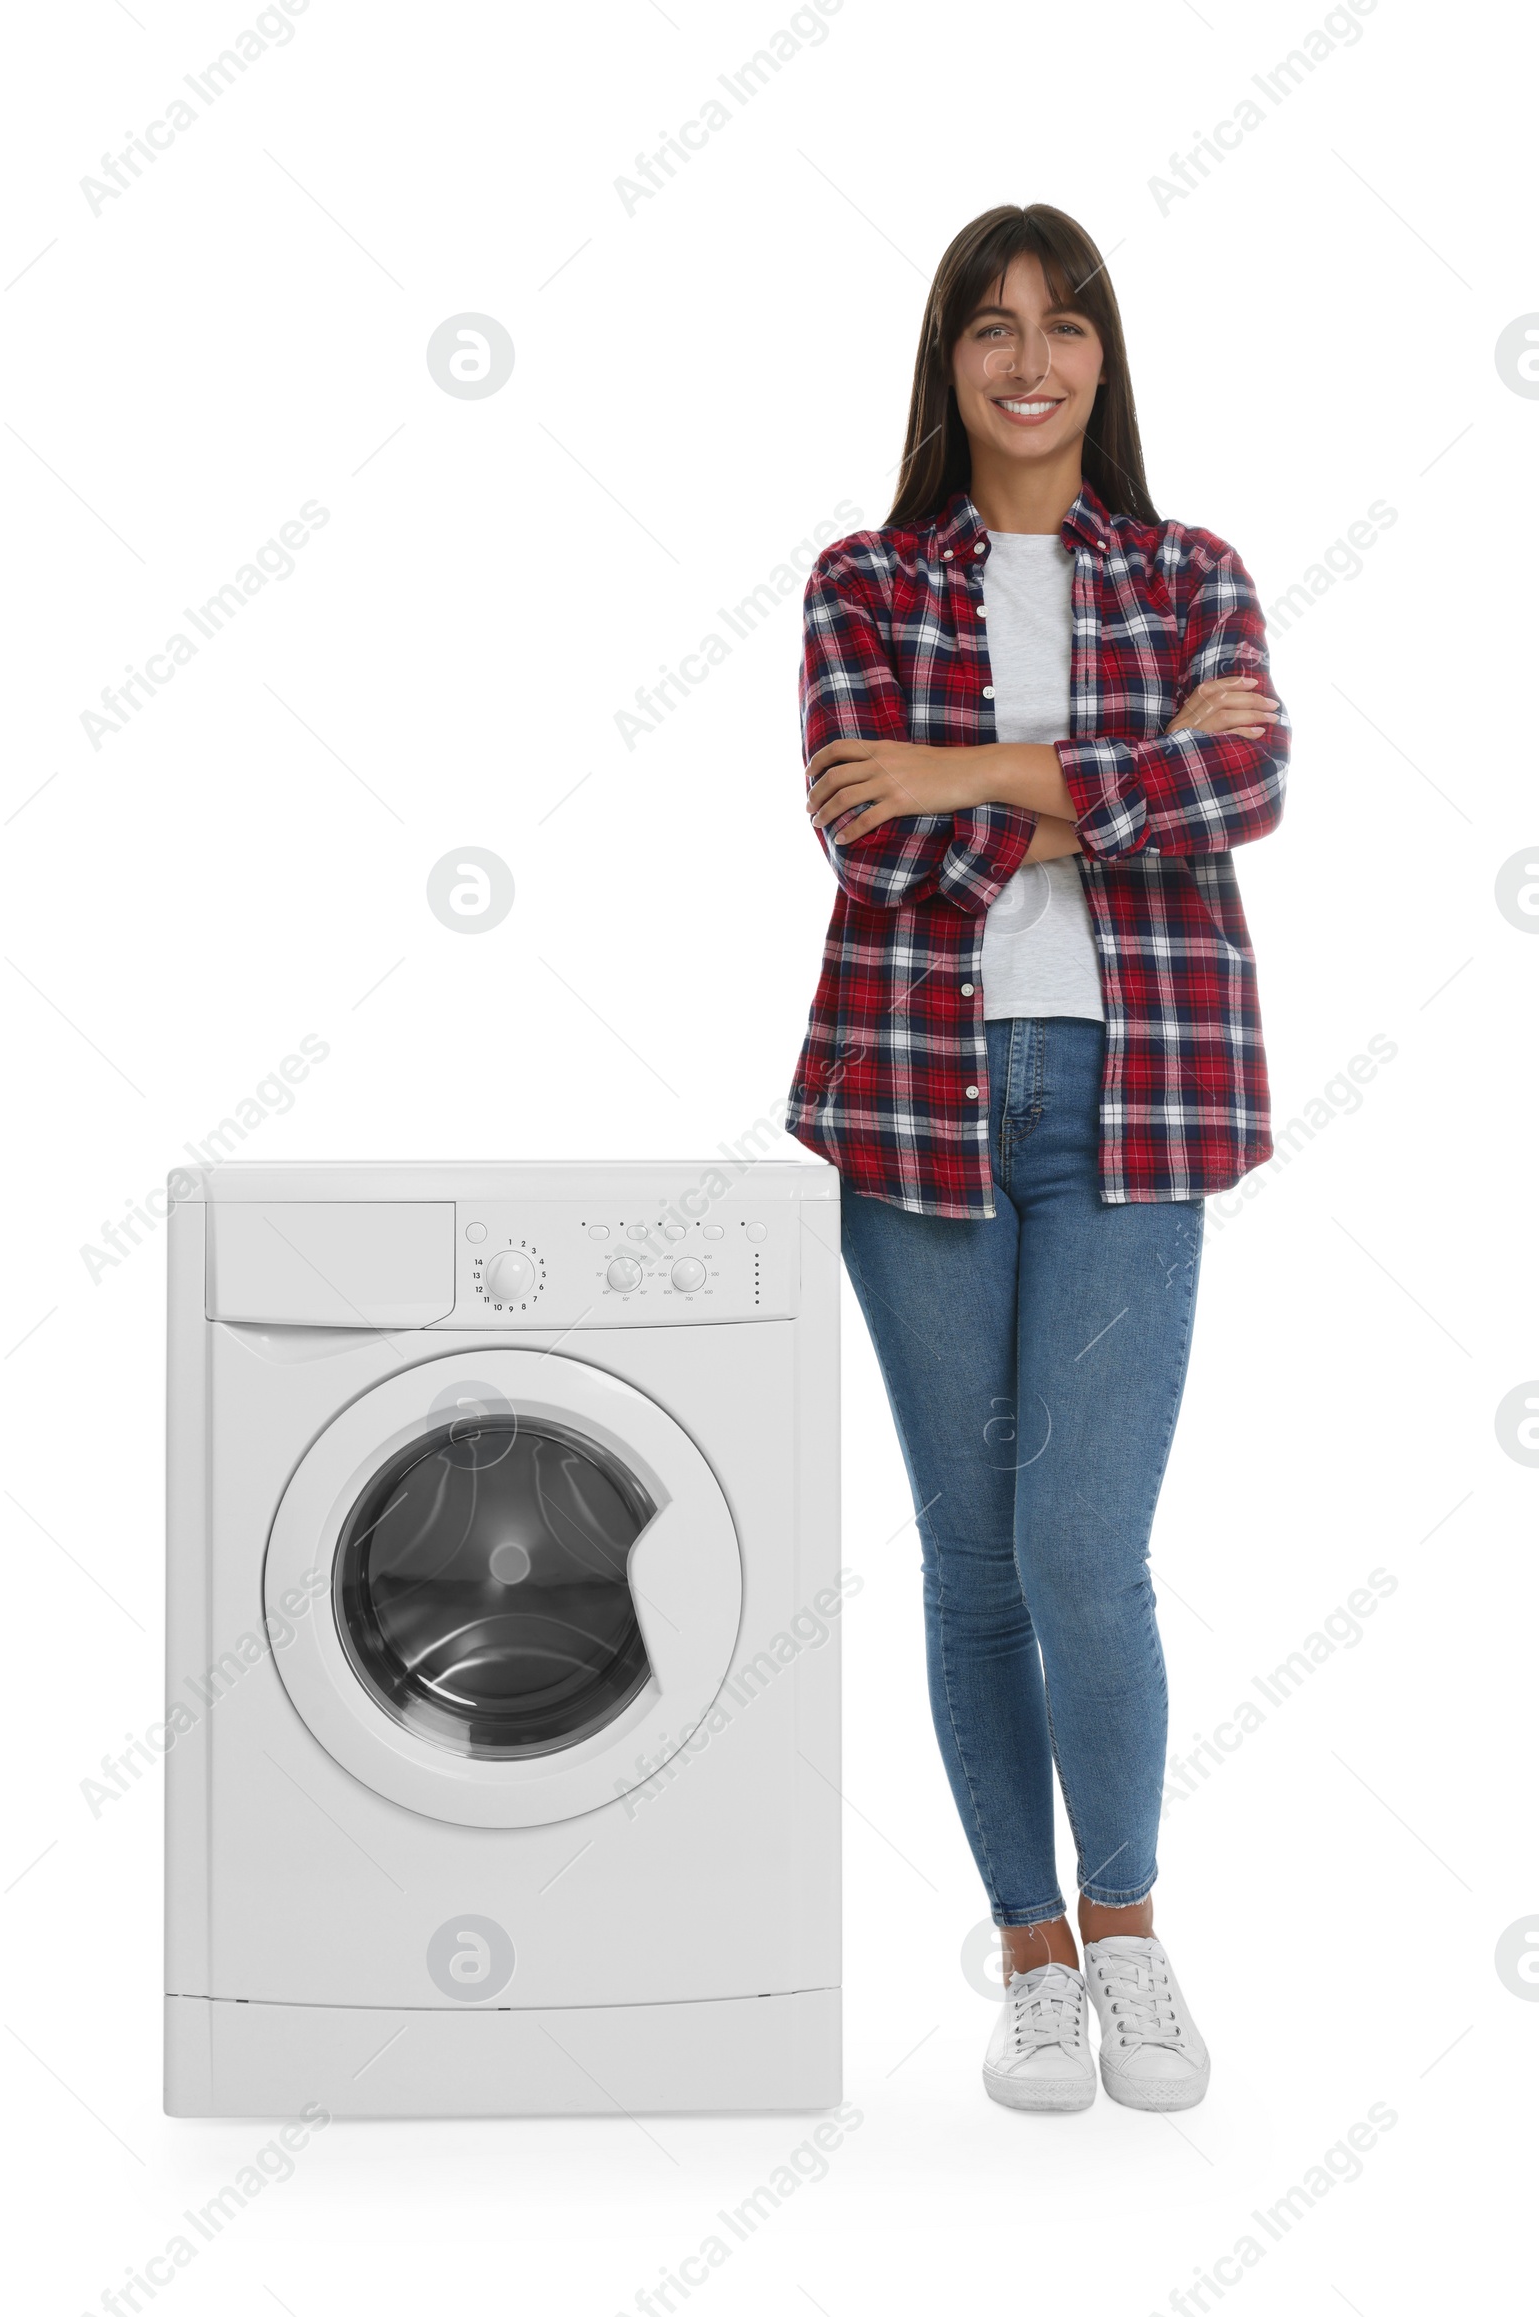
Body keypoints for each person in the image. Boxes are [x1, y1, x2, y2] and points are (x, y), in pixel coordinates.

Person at [786, 203, 1288, 2114]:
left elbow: (1244, 784)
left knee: (1086, 1546)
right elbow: (868, 837)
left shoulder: (1188, 570)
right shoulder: (861, 580)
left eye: (1063, 325)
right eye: (991, 327)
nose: (1028, 359)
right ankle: (1031, 1951)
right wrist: (1111, 774)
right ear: (947, 358)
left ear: (1103, 357)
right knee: (971, 1559)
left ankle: (1134, 1925)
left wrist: (975, 768)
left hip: (1138, 1094)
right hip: (913, 1096)